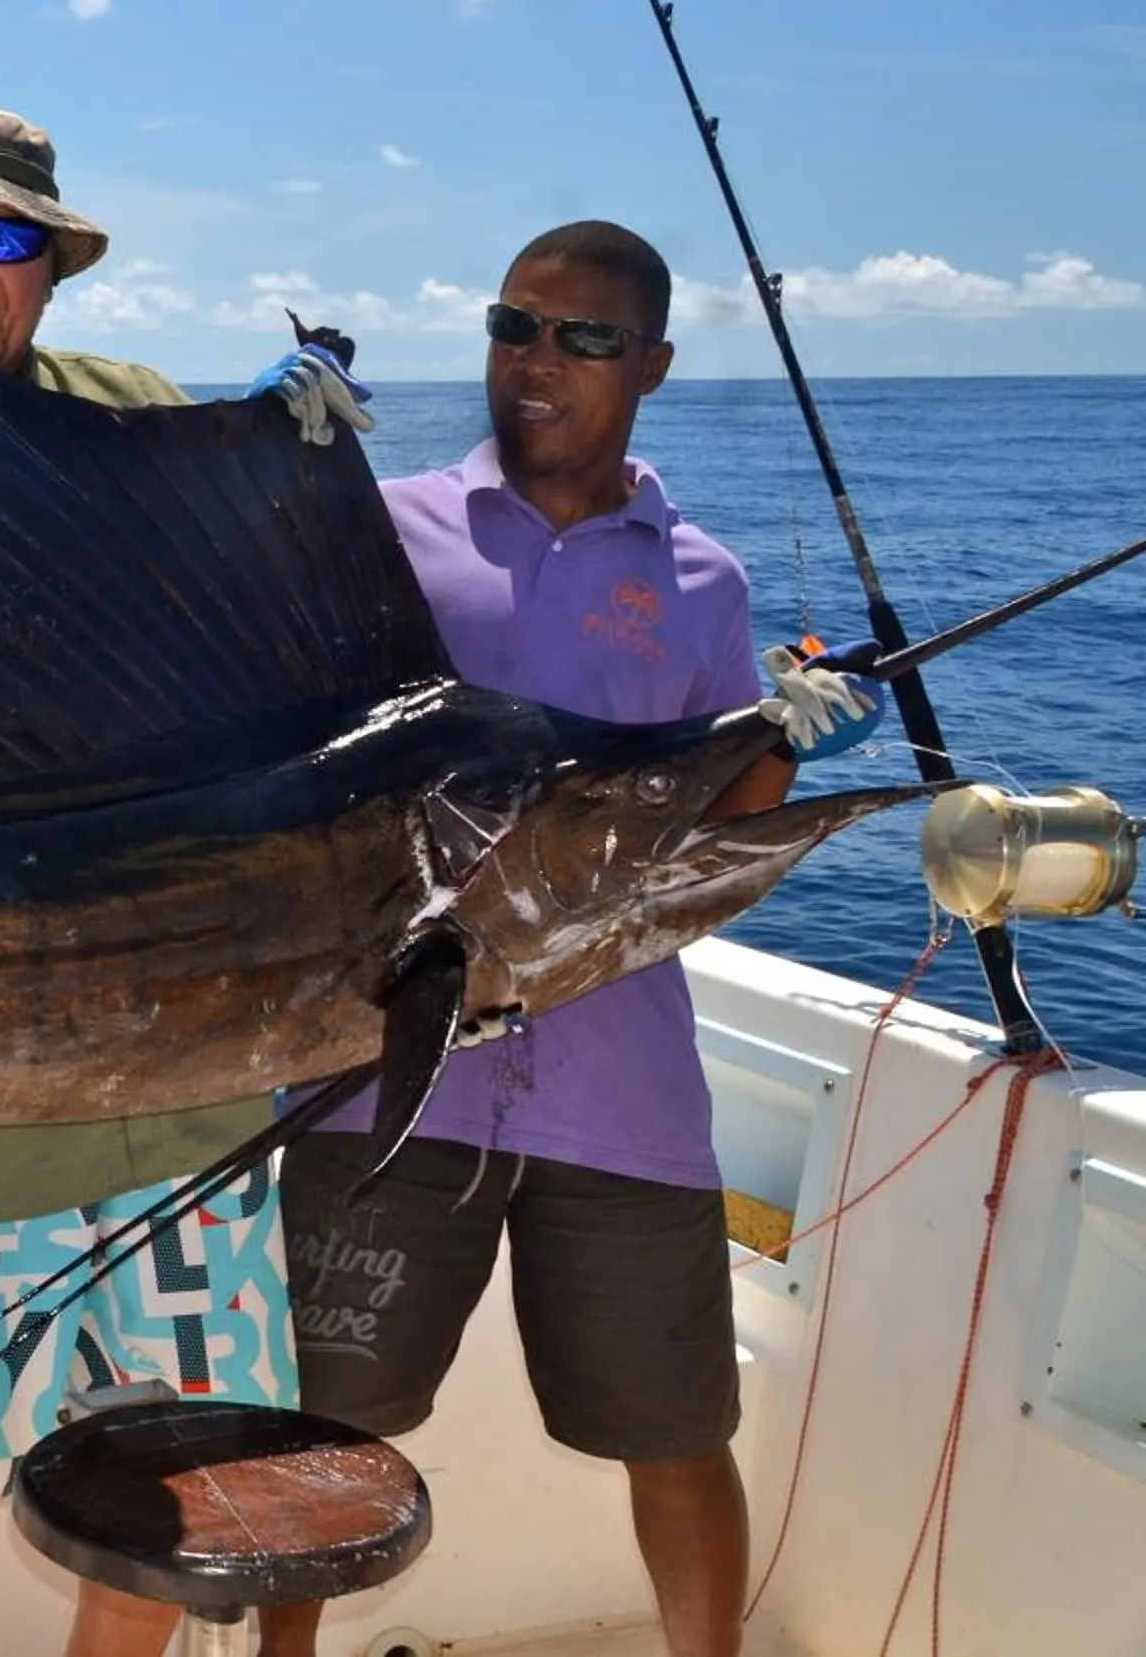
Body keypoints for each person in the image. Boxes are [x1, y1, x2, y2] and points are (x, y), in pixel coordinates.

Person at [0, 102, 367, 1657]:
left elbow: (280, 683)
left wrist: (281, 484)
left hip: (189, 1110)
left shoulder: (132, 418)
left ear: (53, 274)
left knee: (165, 1482)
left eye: (12, 240)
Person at [257, 221, 877, 1657]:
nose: (539, 362)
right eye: (515, 325)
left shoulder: (704, 584)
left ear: (651, 364)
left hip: (621, 1090)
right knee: (315, 1437)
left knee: (676, 1433)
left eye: (585, 337)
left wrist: (776, 737)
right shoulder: (378, 528)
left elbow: (698, 826)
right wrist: (261, 467)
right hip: (382, 1078)